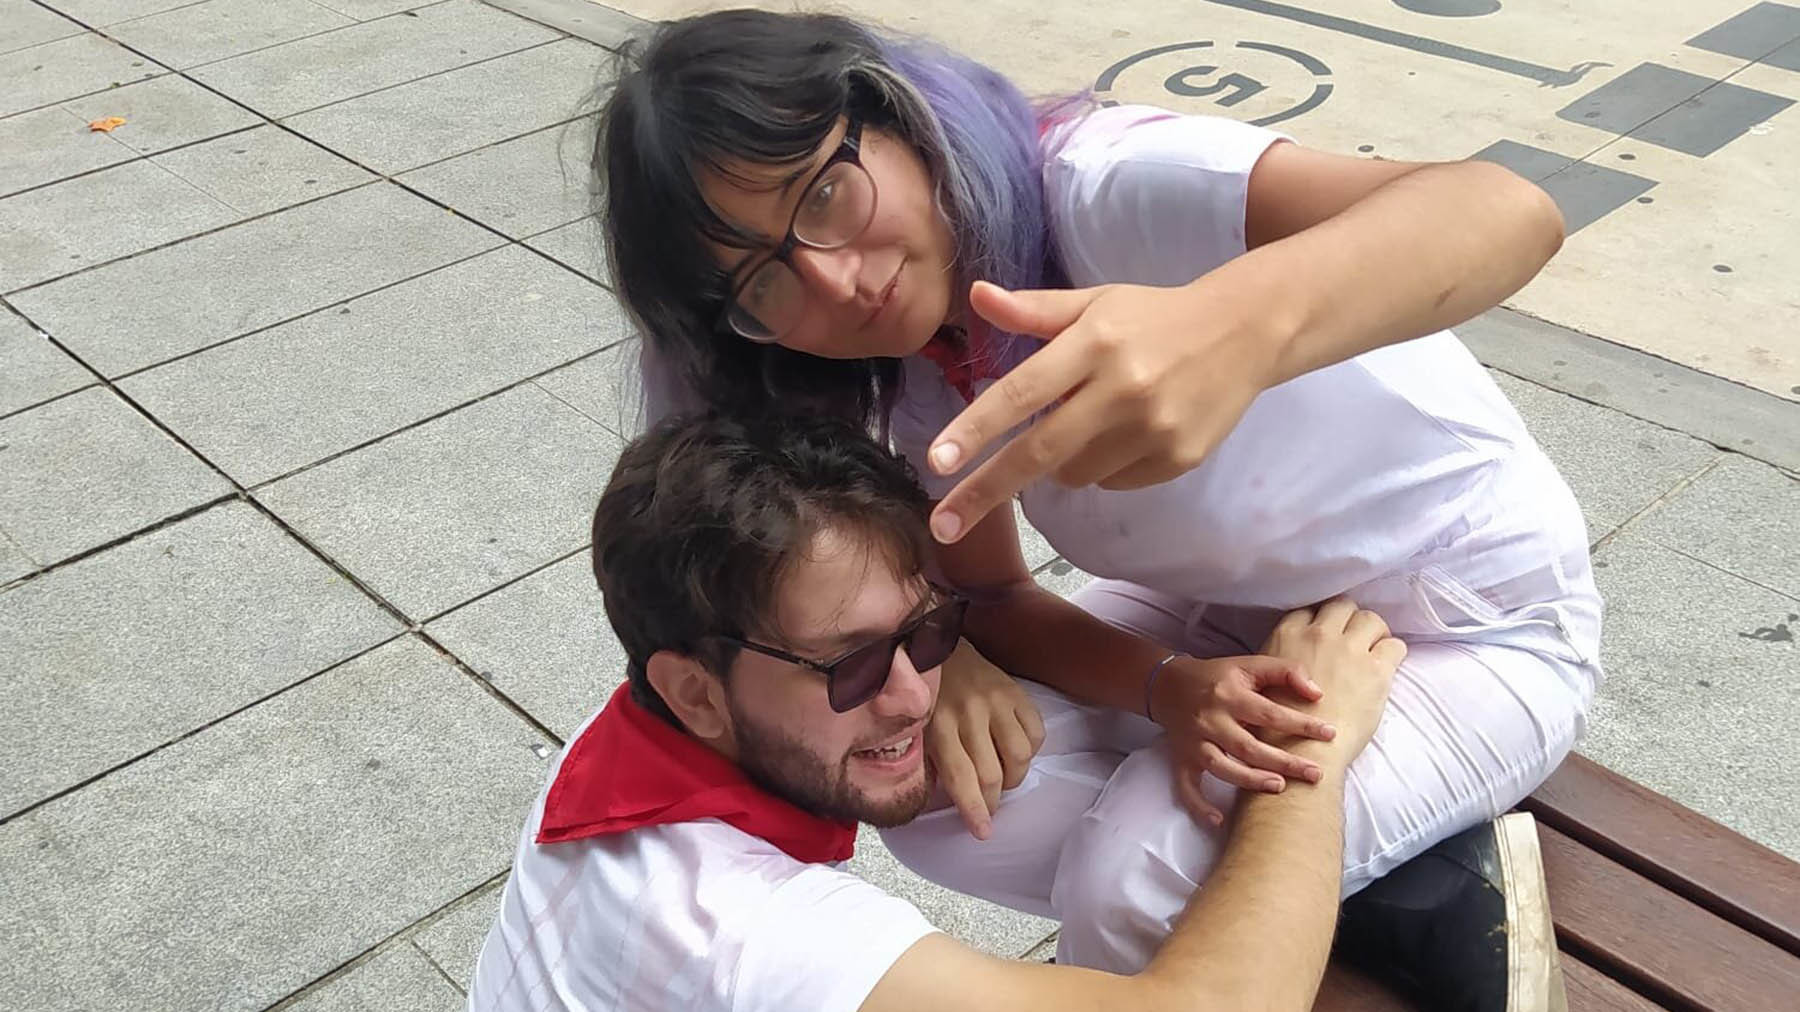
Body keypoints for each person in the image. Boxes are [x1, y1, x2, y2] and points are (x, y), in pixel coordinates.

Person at [594, 9, 1598, 1007]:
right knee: (937, 790)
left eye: (822, 194)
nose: (837, 280)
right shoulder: (910, 359)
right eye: (763, 281)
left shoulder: (1111, 188)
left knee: (1129, 884)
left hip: (1467, 620)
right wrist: (1148, 685)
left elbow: (1507, 208)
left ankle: (1370, 879)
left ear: (889, 114)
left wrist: (1229, 327)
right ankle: (1340, 890)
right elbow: (989, 592)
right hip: (1226, 615)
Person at [469, 411, 1431, 1012]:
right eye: (849, 667)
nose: (913, 693)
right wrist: (1313, 751)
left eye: (929, 636)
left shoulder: (623, 756)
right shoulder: (750, 938)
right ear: (693, 689)